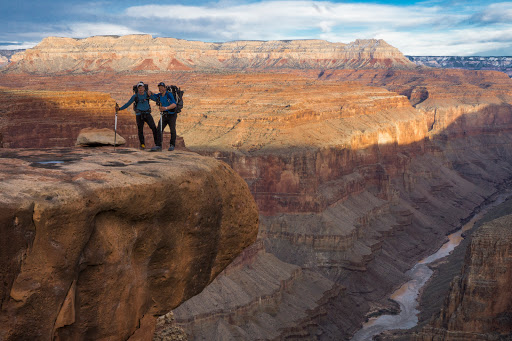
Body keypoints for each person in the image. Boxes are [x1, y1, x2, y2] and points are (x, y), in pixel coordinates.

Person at [116, 82, 161, 151]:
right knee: (140, 130)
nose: (140, 89)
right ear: (138, 89)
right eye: (139, 88)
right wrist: (119, 109)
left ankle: (157, 144)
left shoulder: (147, 94)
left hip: (147, 114)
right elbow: (128, 104)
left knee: (154, 128)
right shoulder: (135, 96)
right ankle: (142, 144)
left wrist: (152, 93)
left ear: (144, 88)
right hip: (139, 115)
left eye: (141, 87)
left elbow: (155, 99)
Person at [151, 82, 177, 151]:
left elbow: (174, 104)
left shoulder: (169, 94)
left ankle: (172, 145)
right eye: (159, 87)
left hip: (171, 114)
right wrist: (150, 93)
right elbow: (154, 96)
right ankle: (158, 145)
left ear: (165, 88)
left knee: (172, 129)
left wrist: (165, 108)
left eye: (162, 87)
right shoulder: (159, 95)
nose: (160, 88)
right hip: (164, 115)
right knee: (159, 129)